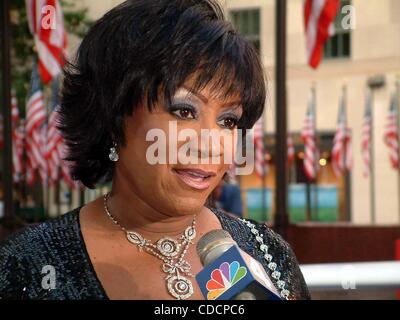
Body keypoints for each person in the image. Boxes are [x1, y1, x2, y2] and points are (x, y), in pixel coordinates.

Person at [0, 0, 310, 300]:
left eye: (228, 120)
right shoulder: (26, 266)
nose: (210, 144)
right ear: (113, 118)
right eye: (184, 112)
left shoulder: (268, 253)